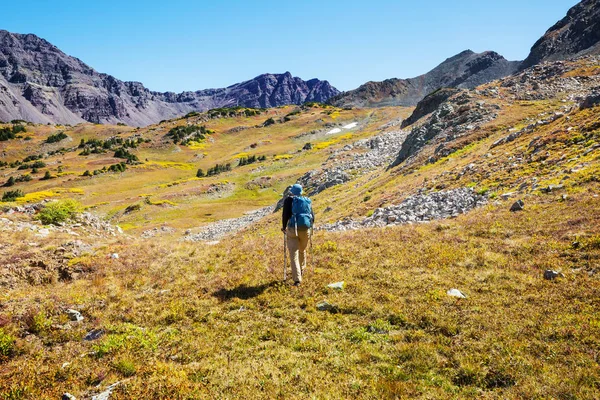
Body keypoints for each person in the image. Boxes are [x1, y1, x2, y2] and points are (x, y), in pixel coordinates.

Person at [281, 184, 314, 286]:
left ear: (292, 191)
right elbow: (312, 216)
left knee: (293, 253)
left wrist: (284, 227)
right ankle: (301, 269)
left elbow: (285, 215)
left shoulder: (289, 200)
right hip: (305, 229)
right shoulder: (307, 200)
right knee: (302, 250)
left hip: (292, 229)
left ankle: (297, 279)